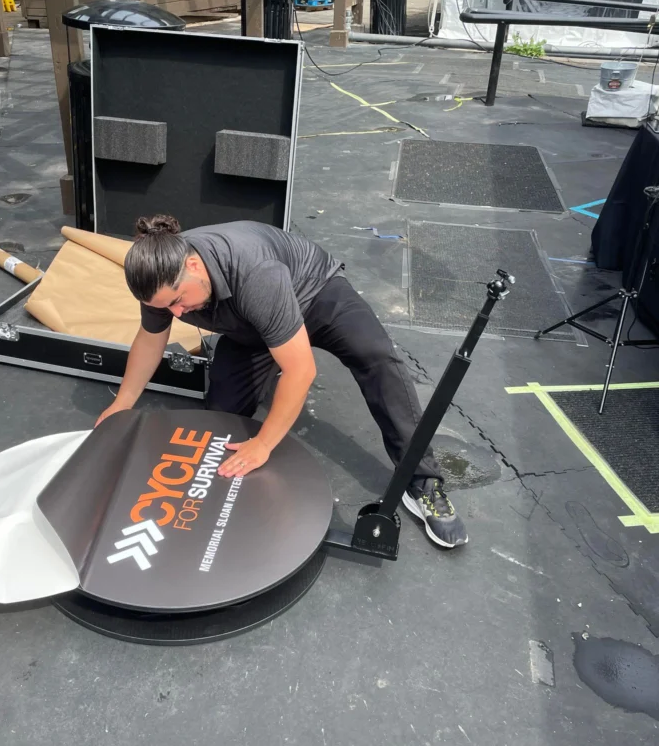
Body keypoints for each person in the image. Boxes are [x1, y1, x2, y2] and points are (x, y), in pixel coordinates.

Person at [97, 215, 467, 548]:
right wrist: (122, 402)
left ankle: (423, 481)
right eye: (167, 308)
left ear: (193, 265)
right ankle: (271, 362)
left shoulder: (255, 273)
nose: (176, 313)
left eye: (179, 301)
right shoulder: (158, 279)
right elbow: (150, 338)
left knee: (376, 356)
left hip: (314, 296)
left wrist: (263, 444)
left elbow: (302, 370)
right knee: (220, 416)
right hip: (249, 326)